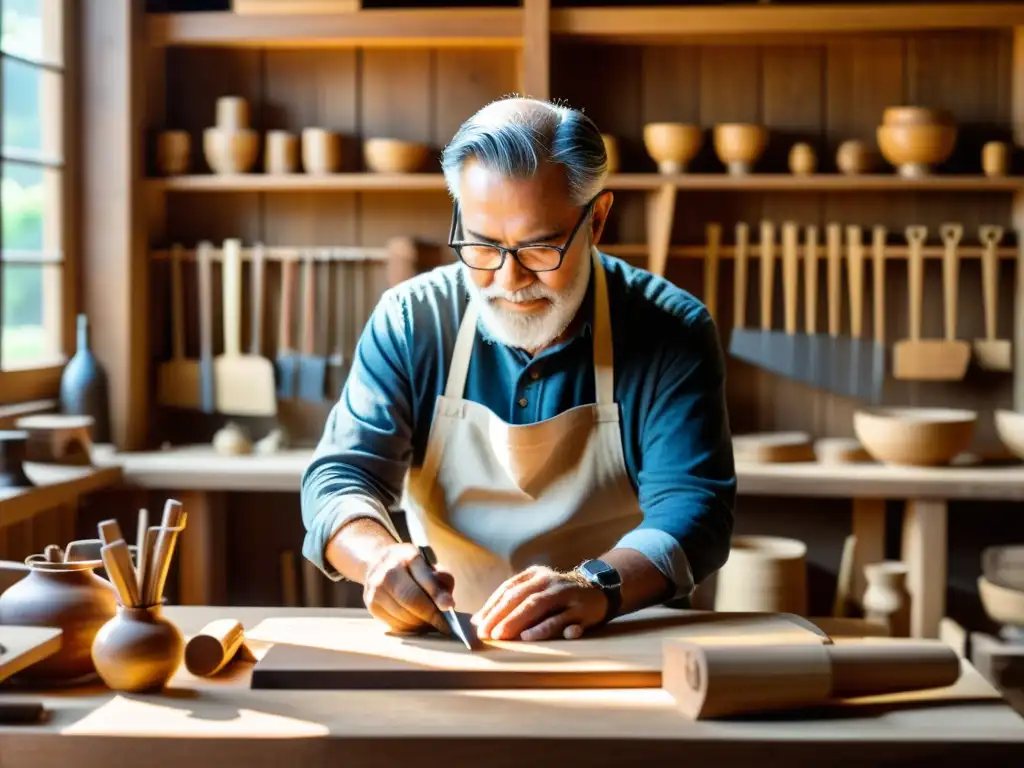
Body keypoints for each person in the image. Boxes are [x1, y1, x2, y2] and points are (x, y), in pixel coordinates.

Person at [300, 96, 736, 642]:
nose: (508, 279)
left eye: (539, 248)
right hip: (453, 641)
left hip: (623, 637)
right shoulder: (412, 321)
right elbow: (340, 478)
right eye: (483, 246)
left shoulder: (671, 331)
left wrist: (597, 586)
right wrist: (379, 558)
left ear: (596, 220)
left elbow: (697, 512)